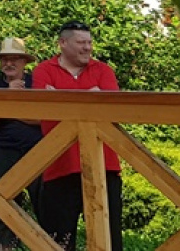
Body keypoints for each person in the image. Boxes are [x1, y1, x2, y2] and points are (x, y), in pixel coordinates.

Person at [32, 21, 122, 250]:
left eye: (90, 42)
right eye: (81, 42)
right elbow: (43, 110)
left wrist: (61, 97)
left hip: (104, 165)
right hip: (60, 165)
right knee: (59, 240)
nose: (87, 48)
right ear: (63, 43)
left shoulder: (103, 70)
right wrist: (89, 96)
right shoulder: (44, 70)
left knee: (110, 238)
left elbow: (112, 112)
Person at [0, 37, 43, 251]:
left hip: (38, 150)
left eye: (15, 59)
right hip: (5, 150)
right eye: (5, 59)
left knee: (42, 201)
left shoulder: (37, 83)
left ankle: (48, 245)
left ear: (25, 62)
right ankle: (6, 246)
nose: (9, 63)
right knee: (4, 200)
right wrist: (10, 95)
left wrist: (10, 111)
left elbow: (44, 119)